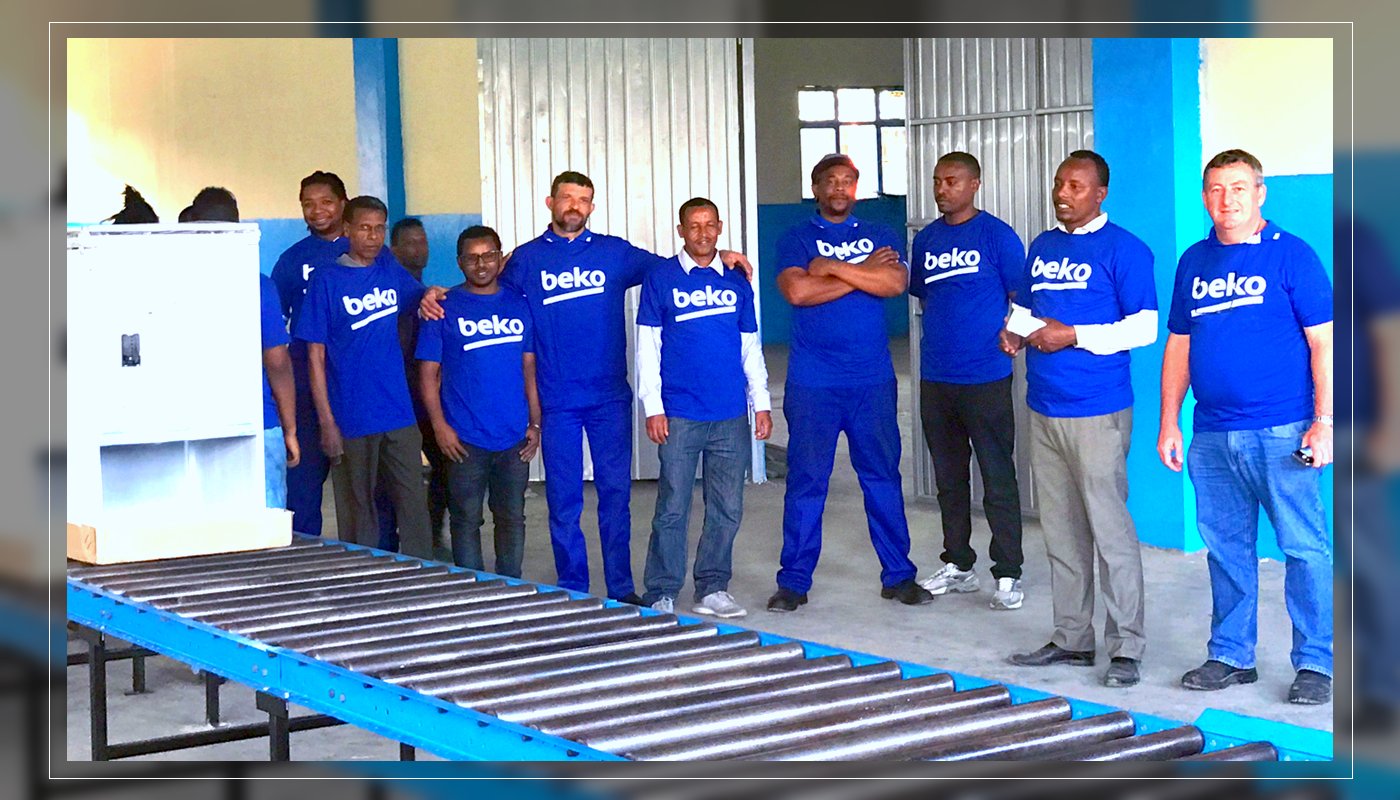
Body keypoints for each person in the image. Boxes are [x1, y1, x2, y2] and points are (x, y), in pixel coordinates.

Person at [420, 171, 752, 603]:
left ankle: (620, 588)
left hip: (608, 399)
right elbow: (482, 282)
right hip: (557, 402)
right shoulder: (527, 259)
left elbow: (678, 265)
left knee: (615, 498)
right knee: (564, 502)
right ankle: (574, 588)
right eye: (567, 198)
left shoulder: (614, 252)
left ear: (592, 207)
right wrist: (437, 294)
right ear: (551, 203)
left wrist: (719, 252)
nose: (574, 206)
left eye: (583, 199)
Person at [1158, 149, 1335, 704]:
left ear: (1260, 194)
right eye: (1215, 189)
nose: (1226, 200)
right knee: (1226, 549)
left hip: (1282, 431)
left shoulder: (1292, 256)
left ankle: (1317, 661)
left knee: (1303, 548)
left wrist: (1325, 421)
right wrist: (1170, 421)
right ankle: (1232, 654)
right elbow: (1179, 346)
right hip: (1212, 434)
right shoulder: (1194, 261)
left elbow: (1324, 343)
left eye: (1238, 188)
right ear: (1204, 197)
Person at [1001, 150, 1157, 688]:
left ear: (1100, 193)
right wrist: (1015, 330)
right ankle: (1071, 638)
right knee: (1062, 532)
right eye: (1058, 183)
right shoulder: (1043, 246)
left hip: (1098, 410)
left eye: (1075, 186)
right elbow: (1027, 308)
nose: (1062, 193)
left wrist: (1073, 335)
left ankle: (1126, 647)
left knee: (1110, 532)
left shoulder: (1125, 249)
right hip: (1044, 406)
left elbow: (1143, 327)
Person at [766, 153, 932, 613]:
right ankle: (793, 582)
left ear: (855, 188)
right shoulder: (797, 236)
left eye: (847, 181)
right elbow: (798, 291)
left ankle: (898, 576)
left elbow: (894, 284)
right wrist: (864, 273)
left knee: (882, 478)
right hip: (813, 383)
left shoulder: (880, 234)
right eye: (831, 181)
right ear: (816, 188)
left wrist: (832, 267)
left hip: (871, 382)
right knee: (807, 482)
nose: (839, 188)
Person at [636, 198, 772, 618]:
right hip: (679, 414)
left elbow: (749, 346)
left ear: (720, 227)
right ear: (681, 230)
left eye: (710, 225)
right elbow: (647, 347)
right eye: (693, 226)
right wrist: (653, 407)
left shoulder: (736, 280)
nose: (702, 233)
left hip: (730, 414)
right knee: (672, 506)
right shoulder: (661, 279)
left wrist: (761, 403)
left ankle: (713, 586)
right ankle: (661, 590)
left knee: (727, 507)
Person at [908, 151, 1027, 610]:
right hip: (937, 378)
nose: (942, 189)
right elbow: (926, 299)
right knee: (949, 478)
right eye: (937, 181)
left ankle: (1008, 573)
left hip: (987, 377)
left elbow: (1021, 299)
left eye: (952, 181)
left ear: (974, 184)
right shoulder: (927, 240)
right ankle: (958, 564)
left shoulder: (997, 235)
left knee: (997, 477)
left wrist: (1012, 335)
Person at [293, 195, 431, 558]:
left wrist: (438, 294)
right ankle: (362, 578)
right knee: (359, 512)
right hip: (351, 416)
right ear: (347, 230)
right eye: (365, 228)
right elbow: (315, 356)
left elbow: (421, 300)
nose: (373, 237)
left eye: (379, 229)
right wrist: (327, 422)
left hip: (398, 413)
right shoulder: (327, 279)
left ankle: (422, 576)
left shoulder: (388, 267)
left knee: (413, 505)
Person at [417, 225, 540, 576]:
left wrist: (535, 423)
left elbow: (528, 368)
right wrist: (440, 428)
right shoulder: (443, 308)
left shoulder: (519, 304)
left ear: (500, 259)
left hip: (514, 438)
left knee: (511, 518)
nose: (481, 264)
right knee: (466, 519)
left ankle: (510, 587)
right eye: (472, 258)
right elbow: (428, 375)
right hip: (464, 439)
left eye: (488, 256)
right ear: (459, 263)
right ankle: (474, 589)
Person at [185, 186, 300, 505]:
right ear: (237, 226)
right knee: (265, 519)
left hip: (193, 422)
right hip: (256, 420)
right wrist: (290, 429)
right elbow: (277, 362)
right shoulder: (258, 284)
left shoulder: (173, 281)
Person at [271, 171, 351, 537]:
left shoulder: (366, 252)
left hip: (354, 389)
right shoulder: (292, 261)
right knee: (303, 490)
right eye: (308, 204)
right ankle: (303, 557)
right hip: (304, 388)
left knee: (366, 493)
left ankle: (370, 561)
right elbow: (275, 324)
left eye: (326, 202)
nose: (317, 211)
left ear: (343, 203)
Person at [374, 216, 452, 560]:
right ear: (394, 250)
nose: (420, 249)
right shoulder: (389, 294)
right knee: (389, 478)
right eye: (411, 243)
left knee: (446, 468)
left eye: (423, 241)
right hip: (395, 400)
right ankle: (388, 544)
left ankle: (432, 536)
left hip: (427, 401)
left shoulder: (430, 296)